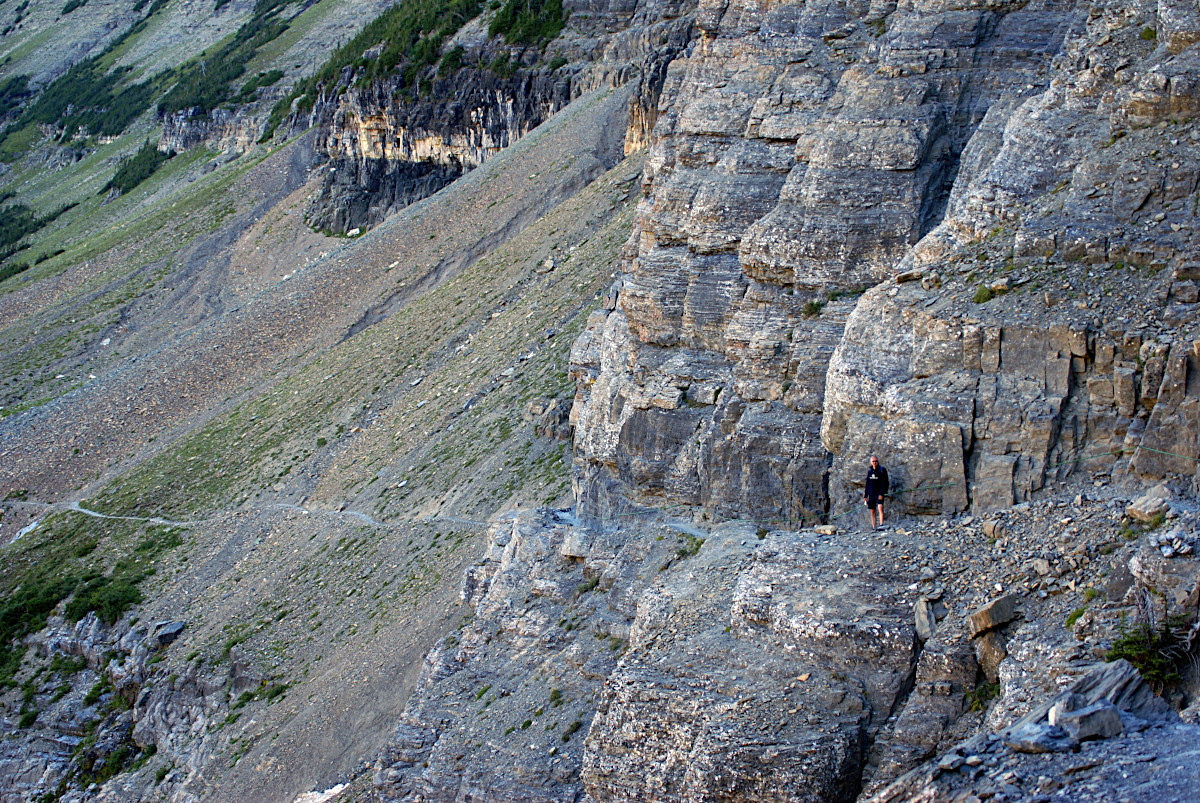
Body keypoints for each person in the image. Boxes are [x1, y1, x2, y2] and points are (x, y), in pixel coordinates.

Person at [864, 455, 889, 530]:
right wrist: (865, 496)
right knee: (872, 510)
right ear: (871, 462)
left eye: (876, 461)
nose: (875, 462)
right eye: (873, 461)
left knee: (880, 507)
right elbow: (867, 483)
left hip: (879, 492)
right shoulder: (869, 470)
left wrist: (882, 493)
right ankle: (874, 526)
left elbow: (884, 482)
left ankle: (881, 524)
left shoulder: (882, 470)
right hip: (871, 493)